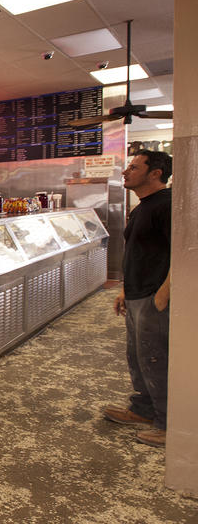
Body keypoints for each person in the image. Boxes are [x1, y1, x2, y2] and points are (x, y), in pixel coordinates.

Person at [102, 150, 172, 447]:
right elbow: (138, 253)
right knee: (138, 356)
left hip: (154, 295)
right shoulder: (143, 206)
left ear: (155, 173)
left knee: (156, 358)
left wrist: (163, 295)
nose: (126, 172)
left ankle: (168, 424)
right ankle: (143, 410)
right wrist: (124, 290)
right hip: (136, 293)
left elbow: (182, 254)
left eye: (133, 167)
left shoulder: (166, 206)